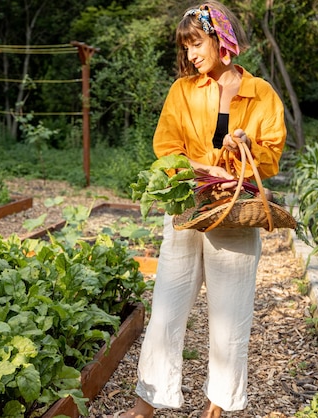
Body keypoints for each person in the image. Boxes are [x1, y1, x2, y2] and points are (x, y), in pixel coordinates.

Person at [120, 2, 286, 418]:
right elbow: (166, 150)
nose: (192, 54)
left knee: (230, 322)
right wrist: (207, 165)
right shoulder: (182, 90)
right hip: (186, 210)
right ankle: (144, 407)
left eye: (197, 43)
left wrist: (245, 147)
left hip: (234, 215)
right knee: (166, 311)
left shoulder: (261, 92)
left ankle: (218, 409)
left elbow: (272, 156)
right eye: (187, 46)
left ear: (219, 37)